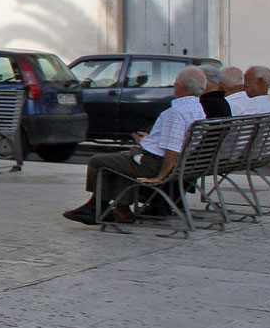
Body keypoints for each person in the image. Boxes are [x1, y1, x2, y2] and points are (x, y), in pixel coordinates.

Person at [63, 67, 207, 225]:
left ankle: (96, 207)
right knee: (123, 160)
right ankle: (121, 209)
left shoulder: (175, 113)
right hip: (182, 164)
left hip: (156, 164)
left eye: (176, 81)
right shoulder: (197, 109)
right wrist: (148, 140)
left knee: (98, 161)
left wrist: (161, 176)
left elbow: (172, 150)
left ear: (181, 85)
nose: (174, 83)